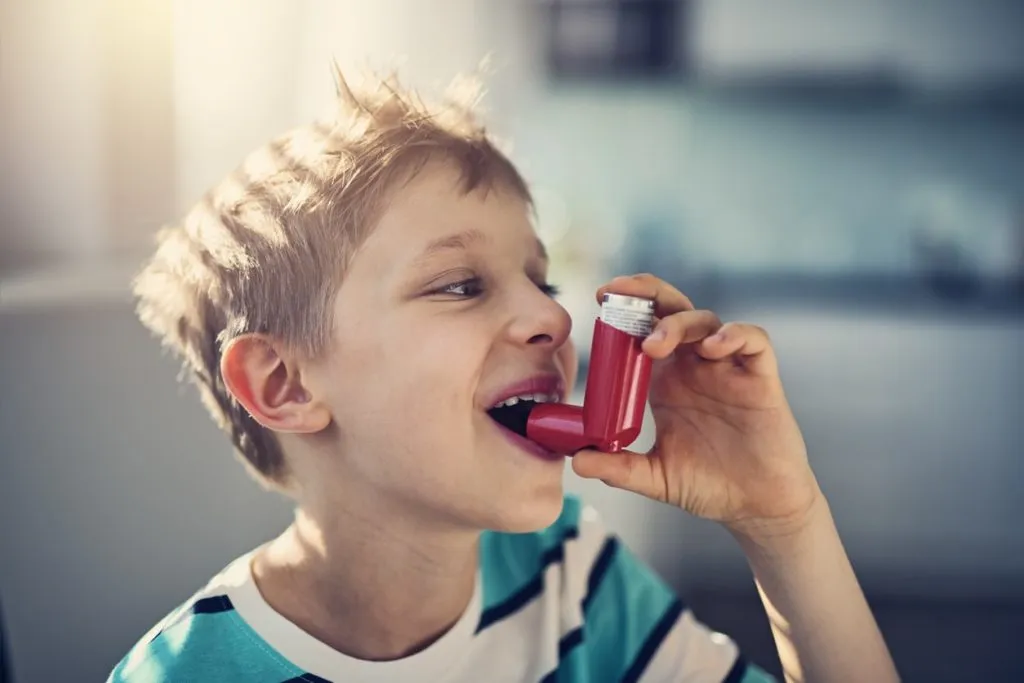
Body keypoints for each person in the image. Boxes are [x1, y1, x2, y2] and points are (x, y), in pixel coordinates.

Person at [107, 68, 898, 682]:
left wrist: (780, 520)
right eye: (460, 285)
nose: (553, 315)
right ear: (285, 384)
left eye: (541, 280)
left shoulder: (571, 580)